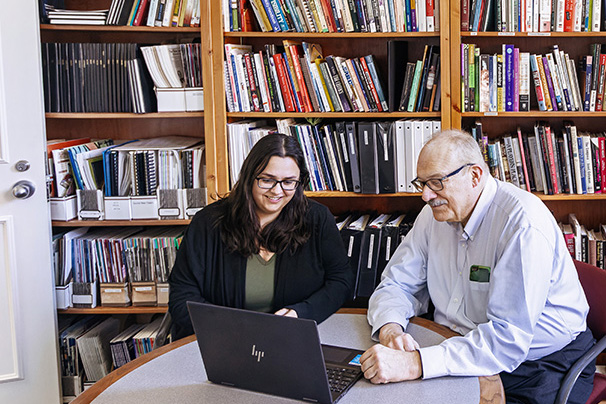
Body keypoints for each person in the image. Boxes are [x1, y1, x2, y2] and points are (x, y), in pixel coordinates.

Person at [361, 129, 595, 404]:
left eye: (436, 182)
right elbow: (396, 284)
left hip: (538, 364)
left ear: (474, 176)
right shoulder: (433, 214)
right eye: (421, 183)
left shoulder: (521, 224)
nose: (425, 196)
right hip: (458, 346)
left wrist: (415, 364)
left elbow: (507, 339)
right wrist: (390, 327)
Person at [168, 133, 354, 340]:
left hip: (294, 338)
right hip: (223, 340)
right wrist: (234, 328)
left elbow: (341, 281)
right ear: (249, 176)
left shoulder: (317, 219)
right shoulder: (208, 222)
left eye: (288, 182)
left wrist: (301, 313)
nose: (277, 191)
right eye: (267, 180)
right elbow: (182, 295)